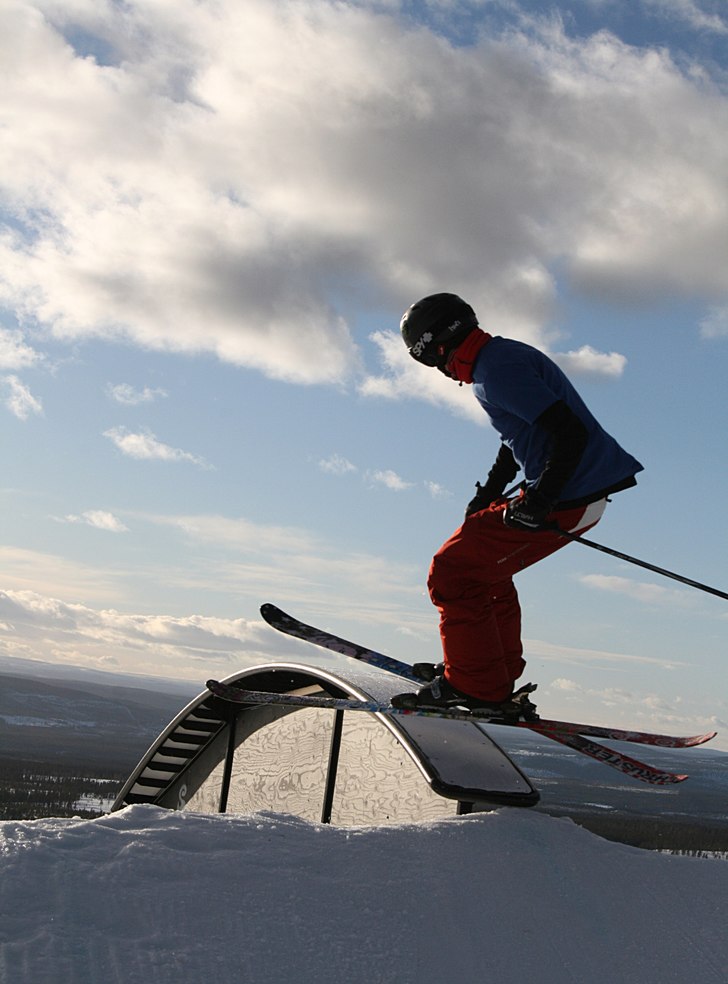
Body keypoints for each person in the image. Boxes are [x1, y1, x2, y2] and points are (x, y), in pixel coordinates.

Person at [392, 293, 643, 721]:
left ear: (437, 347)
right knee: (483, 570)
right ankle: (486, 671)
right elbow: (520, 435)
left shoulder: (497, 370)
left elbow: (569, 432)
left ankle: (477, 686)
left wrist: (540, 500)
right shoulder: (498, 359)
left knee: (452, 571)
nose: (441, 371)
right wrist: (490, 493)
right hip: (570, 491)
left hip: (567, 496)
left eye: (431, 362)